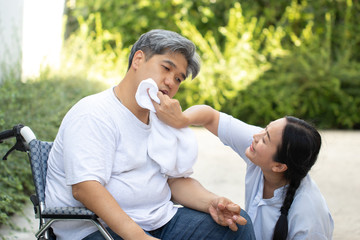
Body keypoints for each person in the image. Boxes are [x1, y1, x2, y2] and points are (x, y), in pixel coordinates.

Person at [45, 29, 255, 240]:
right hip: (97, 228)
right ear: (138, 59)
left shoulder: (161, 119)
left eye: (178, 79)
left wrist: (213, 202)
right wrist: (140, 237)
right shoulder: (94, 113)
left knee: (236, 226)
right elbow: (85, 188)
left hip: (158, 221)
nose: (171, 82)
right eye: (166, 68)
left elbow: (175, 182)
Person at [153, 104, 334, 240]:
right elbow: (210, 117)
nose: (256, 136)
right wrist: (182, 120)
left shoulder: (308, 215)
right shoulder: (260, 149)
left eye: (265, 139)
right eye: (265, 129)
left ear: (279, 166)